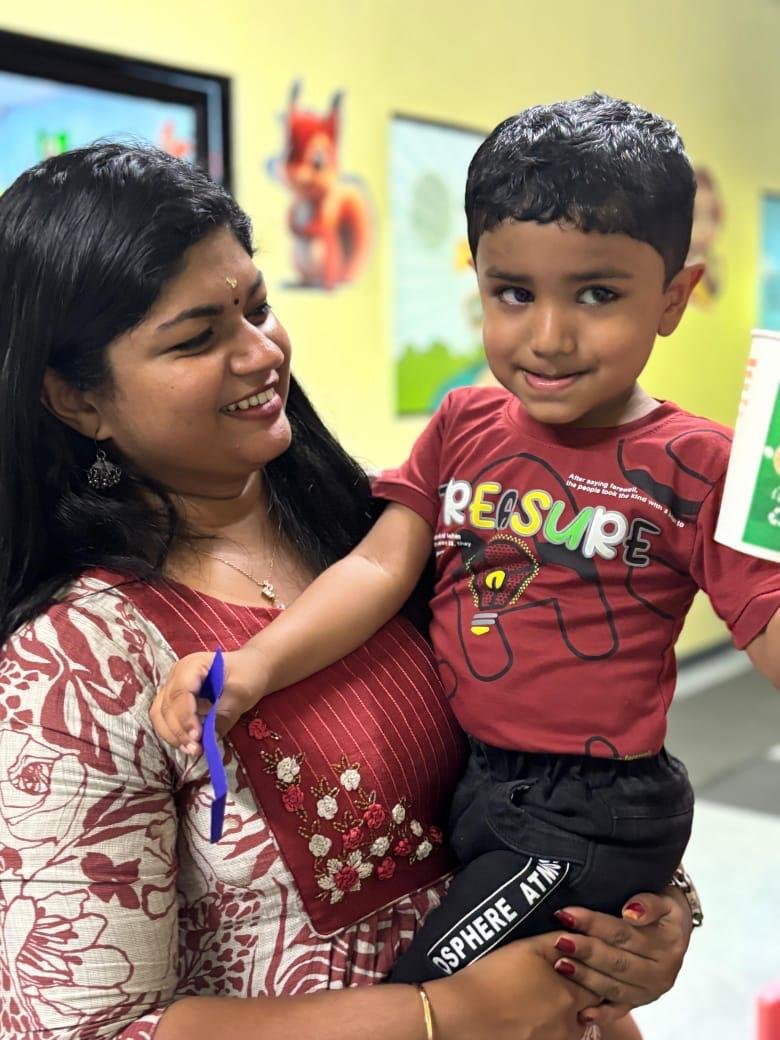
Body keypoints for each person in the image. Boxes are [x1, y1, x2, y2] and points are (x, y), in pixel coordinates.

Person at [0, 143, 695, 1040]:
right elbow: (84, 1027)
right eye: (197, 338)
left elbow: (566, 746)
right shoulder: (74, 663)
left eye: (258, 308)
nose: (261, 353)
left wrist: (647, 916)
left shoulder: (394, 529)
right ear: (75, 398)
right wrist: (443, 1013)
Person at [155, 92, 780, 991]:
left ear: (674, 297)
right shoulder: (463, 425)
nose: (549, 337)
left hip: (587, 809)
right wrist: (252, 667)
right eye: (513, 293)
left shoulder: (697, 464)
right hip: (480, 782)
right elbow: (379, 566)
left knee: (425, 1000)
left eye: (598, 294)